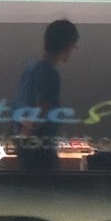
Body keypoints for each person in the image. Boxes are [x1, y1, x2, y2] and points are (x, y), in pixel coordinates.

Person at [12, 18, 79, 172]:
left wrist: (22, 142)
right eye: (73, 47)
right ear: (66, 46)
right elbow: (42, 110)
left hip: (26, 147)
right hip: (39, 151)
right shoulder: (50, 74)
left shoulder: (31, 68)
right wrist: (28, 135)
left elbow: (19, 107)